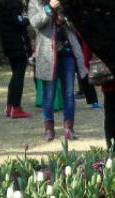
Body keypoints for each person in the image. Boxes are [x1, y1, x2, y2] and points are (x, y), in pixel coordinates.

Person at [28, 0, 87, 141]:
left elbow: (77, 24)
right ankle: (49, 130)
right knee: (49, 95)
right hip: (48, 56)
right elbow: (35, 22)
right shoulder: (35, 2)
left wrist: (65, 16)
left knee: (69, 94)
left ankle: (69, 129)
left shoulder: (64, 2)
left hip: (68, 54)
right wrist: (49, 8)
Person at [0, 0, 32, 118]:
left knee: (15, 74)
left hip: (7, 43)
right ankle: (16, 108)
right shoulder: (13, 2)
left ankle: (10, 106)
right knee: (19, 76)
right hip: (18, 44)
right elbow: (19, 22)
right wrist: (29, 19)